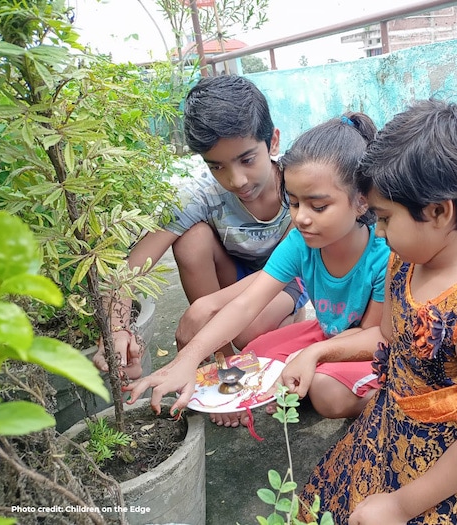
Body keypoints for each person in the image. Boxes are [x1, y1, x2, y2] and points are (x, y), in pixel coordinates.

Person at [298, 99, 457, 525]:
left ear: (439, 211)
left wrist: (400, 505)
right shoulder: (405, 261)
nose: (378, 232)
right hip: (387, 434)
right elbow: (387, 336)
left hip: (446, 476)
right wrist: (318, 353)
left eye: (385, 218)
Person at [124, 112, 390, 429]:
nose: (302, 218)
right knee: (253, 355)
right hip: (327, 332)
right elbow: (245, 304)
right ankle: (302, 375)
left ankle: (381, 401)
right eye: (293, 203)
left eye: (318, 207)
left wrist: (314, 354)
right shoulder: (300, 243)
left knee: (325, 391)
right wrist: (187, 360)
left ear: (362, 202)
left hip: (364, 347)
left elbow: (374, 336)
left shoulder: (383, 255)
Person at [92, 75, 307, 380]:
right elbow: (130, 270)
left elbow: (288, 264)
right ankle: (223, 360)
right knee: (191, 238)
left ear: (272, 141)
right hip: (235, 272)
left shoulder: (298, 183)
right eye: (216, 166)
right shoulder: (199, 194)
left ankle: (283, 320)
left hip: (288, 274)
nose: (236, 180)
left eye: (247, 159)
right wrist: (116, 331)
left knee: (248, 333)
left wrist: (210, 306)